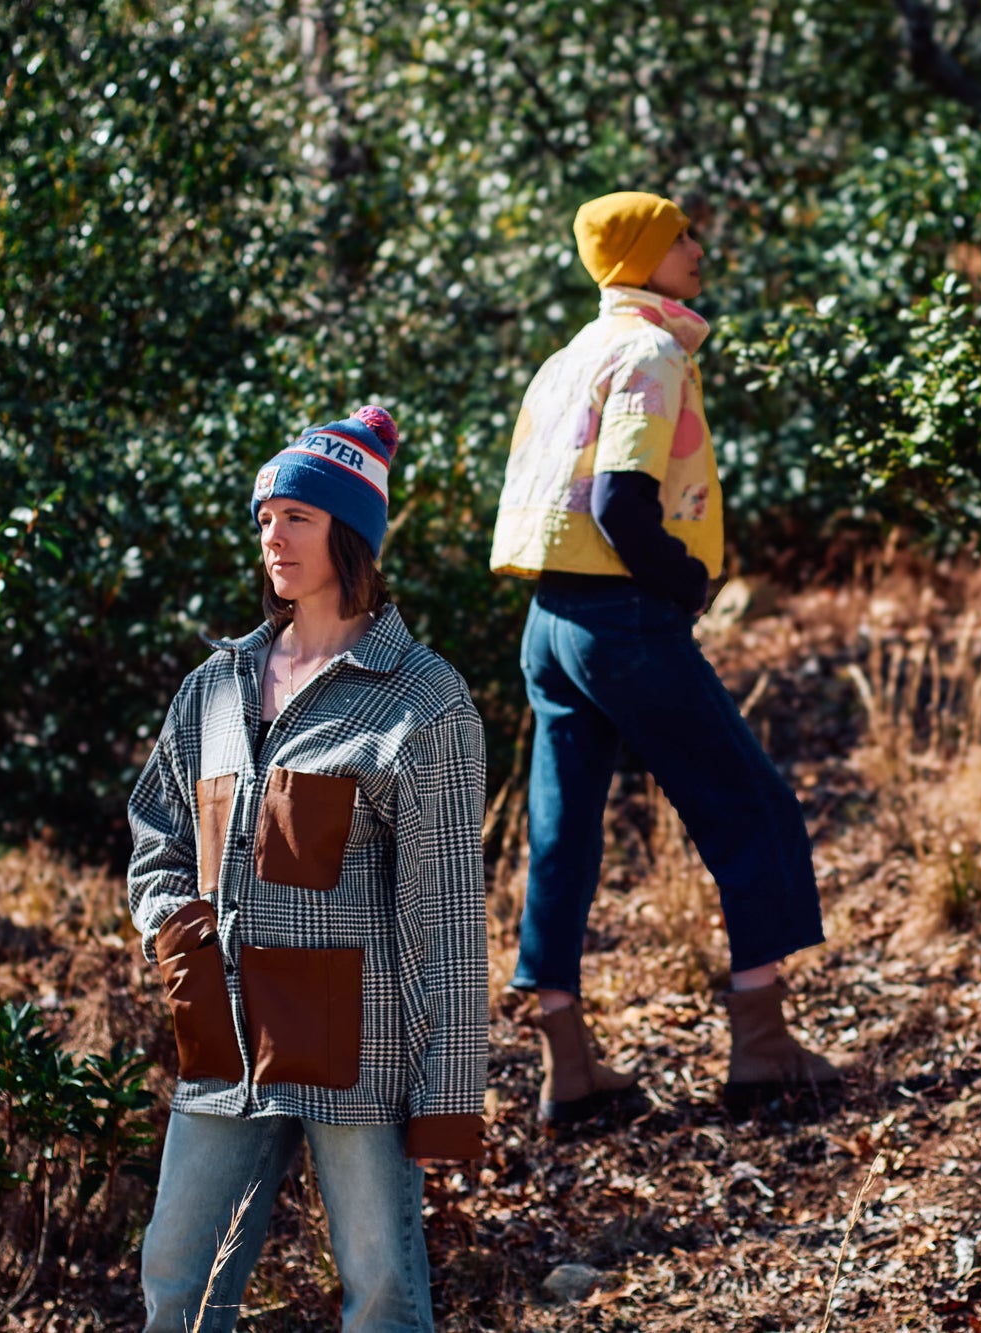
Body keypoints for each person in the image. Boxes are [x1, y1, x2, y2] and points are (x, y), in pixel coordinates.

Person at [128, 406, 487, 1333]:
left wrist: (449, 1096)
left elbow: (445, 914)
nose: (273, 536)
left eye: (299, 515)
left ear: (351, 533)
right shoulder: (217, 686)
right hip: (226, 1040)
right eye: (264, 517)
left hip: (357, 1058)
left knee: (381, 1291)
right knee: (177, 1279)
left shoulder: (423, 698)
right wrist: (178, 935)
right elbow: (157, 832)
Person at [489, 191, 838, 1121]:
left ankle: (569, 1065)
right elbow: (620, 504)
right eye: (682, 234)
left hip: (549, 621)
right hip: (623, 618)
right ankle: (761, 1042)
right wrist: (685, 584)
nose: (699, 246)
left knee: (563, 833)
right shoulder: (648, 351)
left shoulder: (569, 356)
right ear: (644, 253)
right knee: (749, 806)